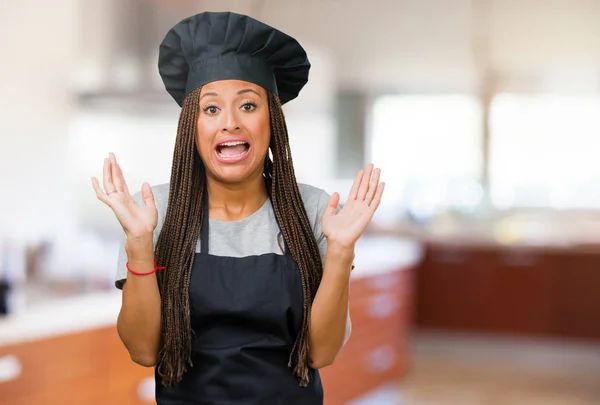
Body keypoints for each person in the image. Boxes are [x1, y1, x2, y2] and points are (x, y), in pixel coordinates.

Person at [91, 11, 385, 405]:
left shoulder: (315, 210)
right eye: (211, 109)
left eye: (248, 106)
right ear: (191, 128)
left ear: (272, 120)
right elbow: (144, 352)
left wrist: (341, 251)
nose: (229, 123)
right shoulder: (154, 211)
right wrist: (140, 243)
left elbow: (321, 353)